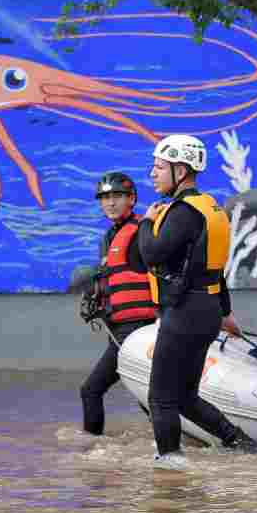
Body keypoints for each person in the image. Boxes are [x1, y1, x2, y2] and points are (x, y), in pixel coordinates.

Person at [138, 134, 257, 467]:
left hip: (185, 313)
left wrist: (146, 222)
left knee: (161, 397)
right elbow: (214, 270)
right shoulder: (211, 207)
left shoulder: (182, 212)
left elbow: (151, 254)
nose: (152, 174)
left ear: (180, 170)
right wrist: (224, 313)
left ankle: (170, 466)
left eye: (158, 167)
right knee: (184, 396)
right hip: (206, 310)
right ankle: (241, 443)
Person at [79, 172, 158, 435]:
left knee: (91, 390)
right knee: (147, 395)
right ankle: (169, 444)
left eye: (117, 196)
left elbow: (160, 274)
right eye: (105, 198)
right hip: (118, 329)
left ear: (132, 199)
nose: (110, 203)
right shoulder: (110, 236)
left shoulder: (140, 233)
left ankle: (91, 450)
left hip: (138, 329)